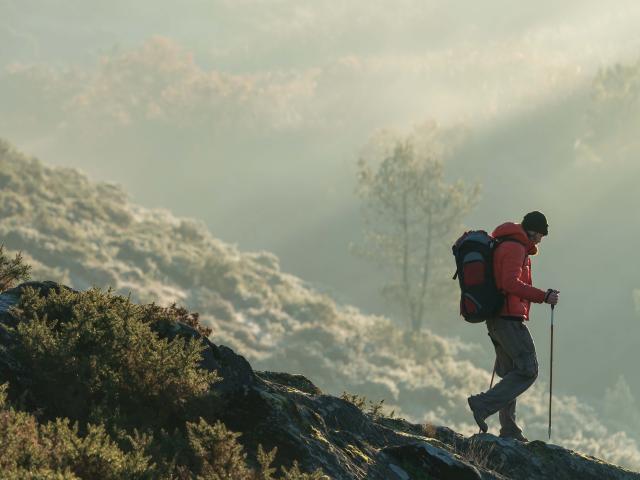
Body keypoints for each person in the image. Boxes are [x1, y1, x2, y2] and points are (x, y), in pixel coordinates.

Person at [467, 211, 559, 442]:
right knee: (528, 369)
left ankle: (509, 430)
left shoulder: (508, 243)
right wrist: (543, 296)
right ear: (531, 230)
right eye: (540, 234)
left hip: (498, 319)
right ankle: (482, 404)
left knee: (510, 373)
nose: (540, 239)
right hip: (507, 319)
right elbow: (509, 283)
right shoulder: (515, 248)